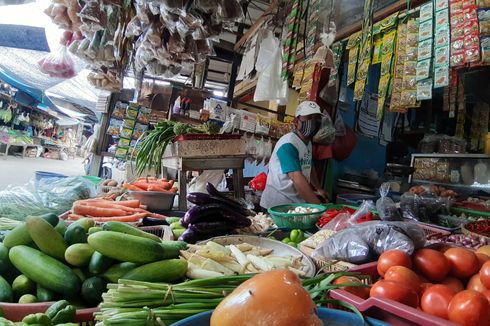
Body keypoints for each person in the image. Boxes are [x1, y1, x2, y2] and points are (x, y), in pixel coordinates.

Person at [260, 101, 328, 209]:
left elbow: (309, 165)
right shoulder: (288, 143)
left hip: (294, 204)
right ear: (296, 121)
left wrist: (318, 188)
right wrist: (319, 208)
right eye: (309, 117)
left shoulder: (307, 142)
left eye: (317, 118)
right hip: (277, 206)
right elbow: (296, 178)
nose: (314, 122)